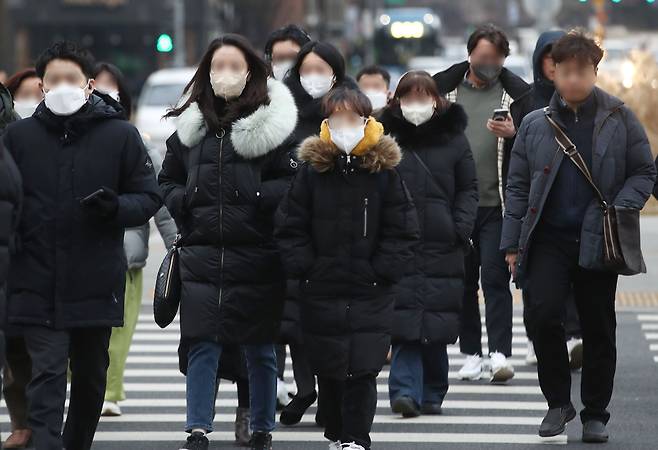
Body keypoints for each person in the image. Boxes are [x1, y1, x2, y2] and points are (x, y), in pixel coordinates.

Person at [3, 40, 162, 450]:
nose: (61, 86)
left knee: (91, 378)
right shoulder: (18, 138)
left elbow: (147, 197)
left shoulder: (121, 136)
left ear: (89, 85)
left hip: (94, 278)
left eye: (70, 79)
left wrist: (116, 207)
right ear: (40, 86)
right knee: (47, 376)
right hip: (35, 278)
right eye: (52, 79)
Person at [501, 31, 656, 442]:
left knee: (598, 326)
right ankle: (558, 402)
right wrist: (512, 244)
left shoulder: (619, 117)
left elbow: (644, 171)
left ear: (594, 71)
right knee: (541, 316)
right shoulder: (535, 124)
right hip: (547, 238)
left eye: (581, 72)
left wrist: (622, 205)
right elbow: (516, 187)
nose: (573, 80)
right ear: (553, 73)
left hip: (598, 236)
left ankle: (595, 414)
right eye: (565, 72)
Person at [158, 34, 298, 450]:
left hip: (257, 252)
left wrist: (257, 198)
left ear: (252, 71)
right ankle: (197, 429)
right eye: (218, 66)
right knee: (202, 344)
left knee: (260, 347)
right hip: (202, 253)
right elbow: (166, 179)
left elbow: (293, 181)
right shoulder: (190, 126)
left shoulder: (271, 124)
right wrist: (185, 201)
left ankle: (261, 428)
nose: (226, 74)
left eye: (235, 66)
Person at [275, 86, 419, 450]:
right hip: (322, 287)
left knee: (363, 367)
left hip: (371, 289)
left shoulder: (384, 171)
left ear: (367, 122)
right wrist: (306, 267)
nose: (344, 125)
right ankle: (337, 432)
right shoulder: (311, 171)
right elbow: (290, 226)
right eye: (336, 118)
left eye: (352, 118)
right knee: (330, 366)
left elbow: (402, 227)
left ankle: (356, 438)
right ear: (326, 123)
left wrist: (383, 270)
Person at [433, 24, 530, 383]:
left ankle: (500, 352)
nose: (489, 64)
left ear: (504, 59)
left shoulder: (518, 97)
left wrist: (515, 134)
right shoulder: (444, 92)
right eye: (483, 57)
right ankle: (471, 353)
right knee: (462, 282)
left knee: (494, 278)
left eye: (496, 58)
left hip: (497, 205)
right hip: (457, 203)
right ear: (470, 53)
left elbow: (535, 149)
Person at [379, 70, 478, 418]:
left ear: (437, 101)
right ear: (397, 101)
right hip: (400, 241)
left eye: (424, 97)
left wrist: (460, 227)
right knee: (403, 322)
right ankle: (405, 392)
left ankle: (433, 391)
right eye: (409, 97)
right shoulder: (384, 137)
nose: (416, 104)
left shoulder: (454, 139)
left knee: (437, 324)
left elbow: (468, 188)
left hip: (442, 242)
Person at [88, 62, 179, 418]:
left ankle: (111, 389)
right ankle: (89, 384)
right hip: (83, 253)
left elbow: (159, 202)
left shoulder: (136, 141)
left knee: (120, 328)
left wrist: (176, 246)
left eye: (114, 89)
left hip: (129, 254)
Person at [278, 40, 355, 427]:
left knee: (334, 324)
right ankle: (306, 387)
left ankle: (330, 395)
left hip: (341, 235)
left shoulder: (350, 112)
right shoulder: (280, 111)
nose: (314, 77)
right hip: (293, 231)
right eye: (306, 69)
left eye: (322, 68)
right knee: (294, 321)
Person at [508, 30, 584, 369]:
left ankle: (574, 336)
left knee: (574, 280)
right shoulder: (526, 101)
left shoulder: (591, 106)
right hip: (536, 210)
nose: (556, 66)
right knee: (534, 280)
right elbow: (517, 171)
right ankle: (536, 336)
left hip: (577, 210)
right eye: (550, 59)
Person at [1, 72, 39, 448]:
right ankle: (23, 423)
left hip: (29, 256)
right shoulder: (9, 132)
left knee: (27, 349)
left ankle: (31, 423)